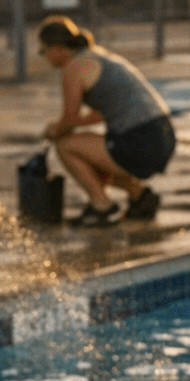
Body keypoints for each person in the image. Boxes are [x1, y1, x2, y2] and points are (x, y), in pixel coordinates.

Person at [38, 15, 174, 225]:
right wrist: (72, 127)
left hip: (140, 139)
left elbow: (69, 119)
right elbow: (98, 115)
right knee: (92, 152)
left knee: (66, 146)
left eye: (43, 51)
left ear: (57, 49)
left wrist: (52, 132)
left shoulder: (74, 68)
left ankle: (101, 205)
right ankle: (141, 196)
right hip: (161, 135)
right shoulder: (97, 57)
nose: (44, 57)